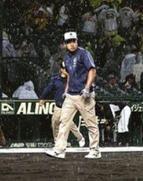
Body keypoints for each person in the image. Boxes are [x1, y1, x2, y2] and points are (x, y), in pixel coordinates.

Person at [46, 31, 101, 159]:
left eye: (73, 41)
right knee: (64, 122)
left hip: (84, 95)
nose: (72, 44)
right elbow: (70, 75)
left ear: (77, 41)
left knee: (91, 123)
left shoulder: (84, 53)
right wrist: (66, 89)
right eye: (69, 42)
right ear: (65, 44)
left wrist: (87, 88)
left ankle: (95, 150)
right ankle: (60, 150)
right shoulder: (66, 57)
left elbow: (92, 70)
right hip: (71, 95)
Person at [38, 61, 86, 149]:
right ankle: (57, 142)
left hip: (69, 106)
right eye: (65, 69)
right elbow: (48, 89)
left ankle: (79, 138)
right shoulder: (55, 80)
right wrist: (42, 98)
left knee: (68, 123)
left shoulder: (73, 80)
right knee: (54, 123)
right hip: (58, 106)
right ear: (61, 70)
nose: (67, 70)